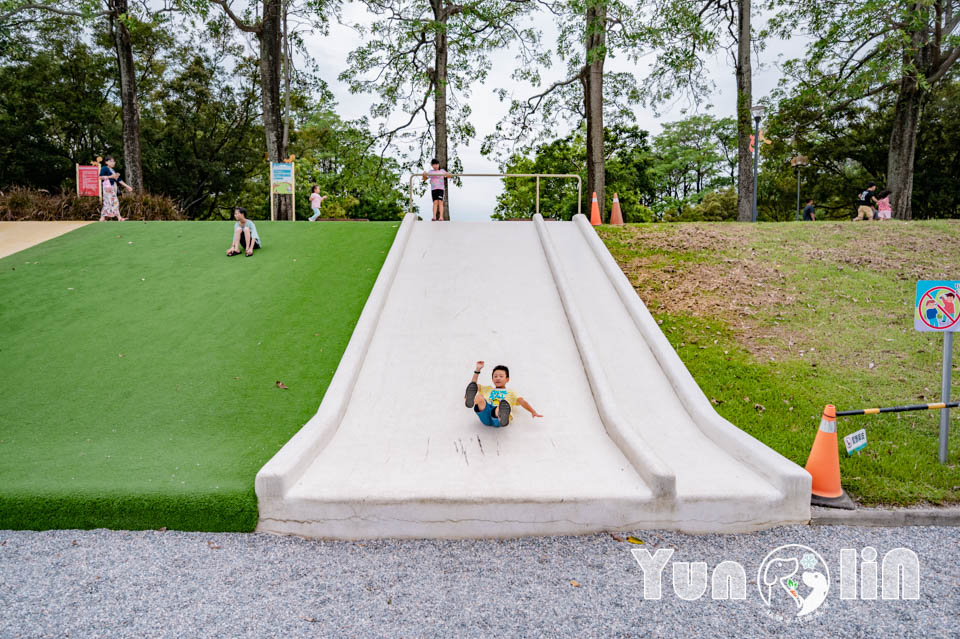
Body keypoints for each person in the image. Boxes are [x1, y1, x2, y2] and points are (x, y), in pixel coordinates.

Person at [464, 361, 542, 427]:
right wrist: (477, 370)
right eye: (495, 376)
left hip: (498, 416)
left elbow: (522, 402)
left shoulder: (511, 392)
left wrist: (533, 411)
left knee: (500, 406)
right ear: (492, 379)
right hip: (486, 413)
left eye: (501, 376)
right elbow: (473, 386)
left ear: (507, 379)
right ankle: (470, 401)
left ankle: (502, 416)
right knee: (479, 396)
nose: (498, 378)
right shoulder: (488, 389)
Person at [98, 156, 132, 221]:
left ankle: (103, 218)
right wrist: (111, 176)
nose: (113, 163)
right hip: (107, 188)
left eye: (114, 161)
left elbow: (118, 180)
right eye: (111, 161)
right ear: (106, 162)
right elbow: (100, 177)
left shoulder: (112, 170)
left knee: (109, 202)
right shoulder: (104, 168)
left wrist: (127, 186)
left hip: (112, 187)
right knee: (114, 202)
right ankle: (118, 217)